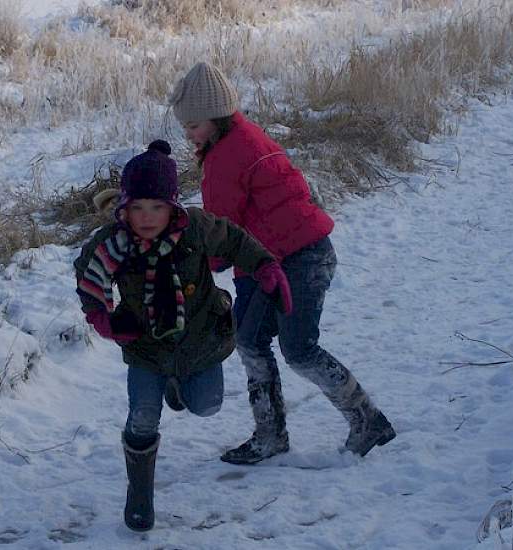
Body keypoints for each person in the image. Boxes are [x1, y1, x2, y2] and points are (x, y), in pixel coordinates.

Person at [168, 62, 396, 465]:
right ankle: (270, 434)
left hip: (301, 257)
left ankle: (367, 420)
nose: (189, 135)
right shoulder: (236, 140)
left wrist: (206, 265)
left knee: (299, 348)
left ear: (217, 116)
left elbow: (222, 225)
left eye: (194, 126)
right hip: (270, 260)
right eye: (186, 127)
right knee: (249, 339)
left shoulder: (228, 155)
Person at [74, 140, 292, 531]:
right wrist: (102, 317)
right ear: (124, 206)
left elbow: (235, 240)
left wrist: (265, 267)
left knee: (206, 405)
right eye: (137, 207)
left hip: (201, 341)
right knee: (142, 417)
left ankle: (179, 387)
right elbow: (89, 272)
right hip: (144, 346)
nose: (146, 217)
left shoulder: (194, 228)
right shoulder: (116, 243)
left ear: (172, 205)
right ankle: (139, 496)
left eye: (156, 207)